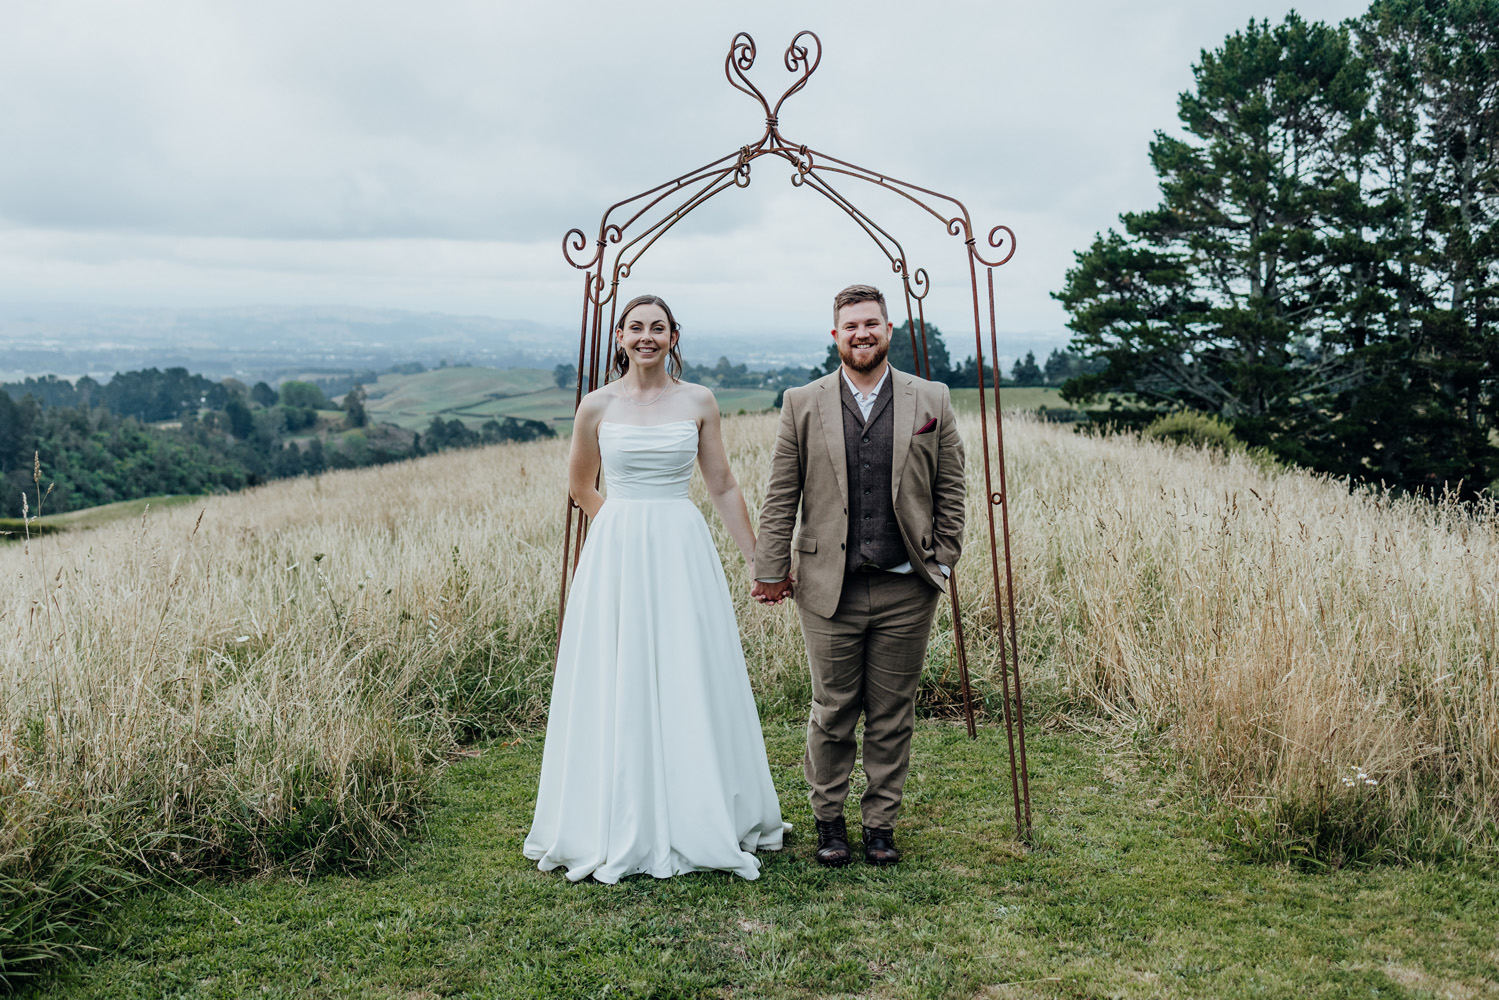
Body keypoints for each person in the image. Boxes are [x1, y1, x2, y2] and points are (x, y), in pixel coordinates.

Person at [523, 293, 786, 883]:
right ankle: (612, 816)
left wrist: (758, 561)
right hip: (617, 551)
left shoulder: (699, 401)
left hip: (681, 545)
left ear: (672, 337)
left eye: (658, 328)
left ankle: (702, 807)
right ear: (620, 336)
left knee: (688, 665)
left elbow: (720, 484)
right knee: (617, 668)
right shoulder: (595, 406)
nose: (647, 336)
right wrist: (621, 526)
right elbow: (580, 485)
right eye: (636, 327)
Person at [751, 284, 965, 867]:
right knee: (833, 709)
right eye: (851, 326)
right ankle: (829, 821)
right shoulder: (802, 401)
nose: (862, 334)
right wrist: (770, 568)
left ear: (888, 330)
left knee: (893, 711)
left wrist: (943, 558)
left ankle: (880, 825)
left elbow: (951, 486)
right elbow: (781, 494)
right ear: (835, 335)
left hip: (906, 585)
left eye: (872, 323)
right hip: (828, 587)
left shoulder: (932, 398)